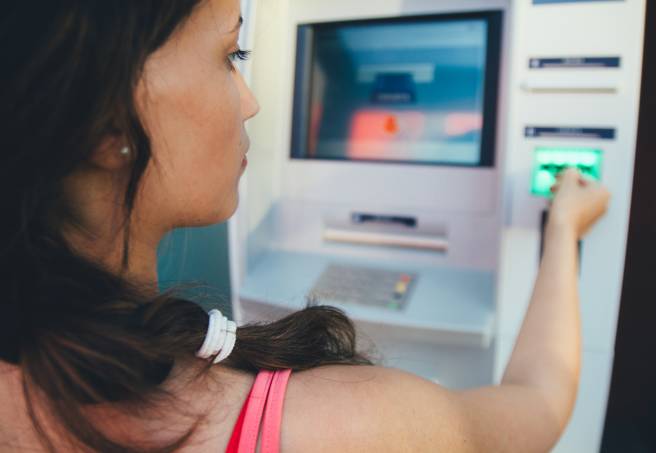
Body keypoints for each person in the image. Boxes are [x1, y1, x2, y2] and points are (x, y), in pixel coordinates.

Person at [0, 1, 611, 452]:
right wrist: (562, 230)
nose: (251, 100)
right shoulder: (362, 427)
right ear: (107, 122)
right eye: (229, 54)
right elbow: (540, 402)